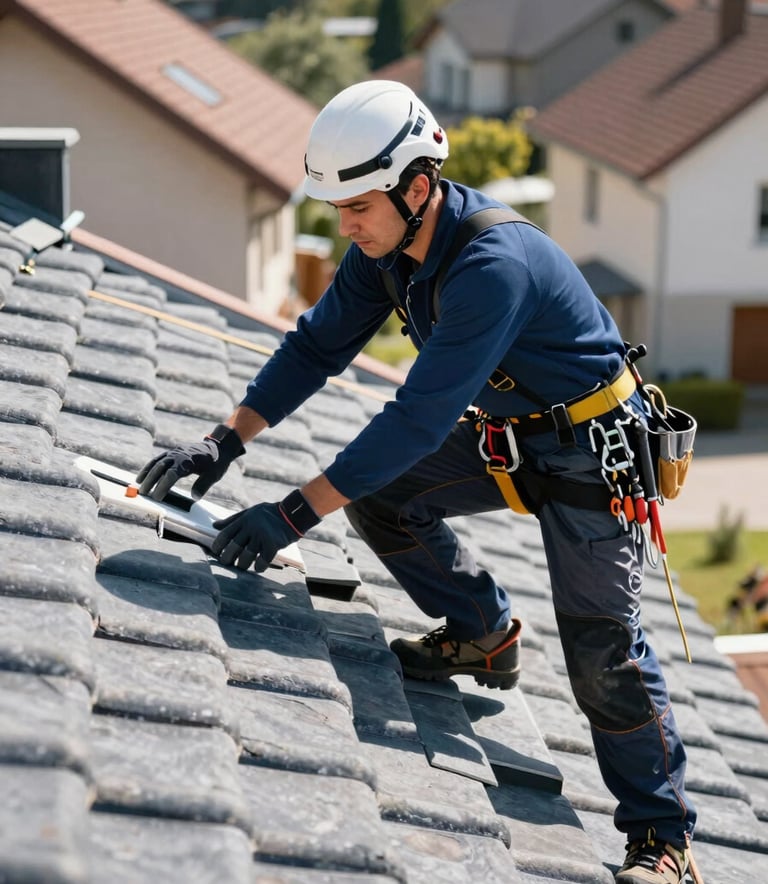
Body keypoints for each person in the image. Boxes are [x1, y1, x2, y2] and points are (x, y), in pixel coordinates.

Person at [136, 80, 697, 884]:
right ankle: (483, 631)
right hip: (511, 437)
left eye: (358, 205)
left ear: (419, 186)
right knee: (382, 493)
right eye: (339, 209)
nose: (345, 224)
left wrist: (291, 515)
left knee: (602, 650)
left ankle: (665, 842)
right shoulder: (387, 248)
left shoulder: (491, 266)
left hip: (588, 457)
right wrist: (223, 443)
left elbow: (417, 421)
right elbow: (315, 348)